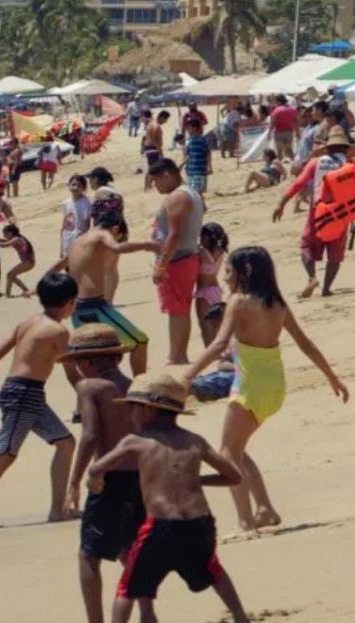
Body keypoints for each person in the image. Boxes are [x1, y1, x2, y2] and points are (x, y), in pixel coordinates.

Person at [89, 373, 262, 623]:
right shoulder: (194, 441)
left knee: (127, 586)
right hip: (198, 522)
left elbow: (97, 468)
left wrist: (95, 484)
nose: (130, 414)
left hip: (160, 525)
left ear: (149, 409)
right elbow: (233, 476)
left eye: (133, 408)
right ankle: (243, 622)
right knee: (215, 572)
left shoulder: (135, 442)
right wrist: (198, 480)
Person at [181, 246, 348, 533]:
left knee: (227, 454)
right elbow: (306, 344)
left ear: (245, 272)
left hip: (251, 386)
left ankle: (246, 521)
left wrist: (187, 376)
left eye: (229, 271)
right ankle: (264, 508)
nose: (225, 277)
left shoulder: (238, 302)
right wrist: (332, 377)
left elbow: (219, 344)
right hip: (274, 386)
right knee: (237, 449)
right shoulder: (278, 304)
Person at [59, 324, 158, 623]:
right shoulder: (133, 386)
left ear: (85, 361)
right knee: (130, 548)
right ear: (118, 357)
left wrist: (74, 482)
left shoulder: (90, 387)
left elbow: (89, 435)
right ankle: (148, 617)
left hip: (110, 476)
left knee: (89, 554)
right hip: (140, 476)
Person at [0, 273, 79, 527]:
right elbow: (72, 371)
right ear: (69, 302)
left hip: (24, 392)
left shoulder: (28, 323)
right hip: (24, 393)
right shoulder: (59, 331)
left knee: (66, 443)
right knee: (4, 454)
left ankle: (57, 511)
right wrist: (88, 397)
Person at [49, 196, 160, 377]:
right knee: (139, 342)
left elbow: (59, 265)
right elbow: (117, 248)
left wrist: (42, 283)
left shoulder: (80, 240)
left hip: (77, 308)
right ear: (115, 228)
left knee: (95, 353)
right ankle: (140, 384)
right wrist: (147, 245)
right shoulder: (102, 234)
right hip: (95, 307)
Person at [272, 127, 352, 298]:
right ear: (346, 149)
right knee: (335, 253)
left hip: (318, 210)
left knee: (307, 245)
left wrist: (281, 203)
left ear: (328, 148)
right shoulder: (350, 165)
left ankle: (312, 278)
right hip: (341, 213)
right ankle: (326, 288)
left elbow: (298, 184)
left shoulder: (316, 162)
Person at [149, 158, 205, 366]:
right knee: (180, 308)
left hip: (178, 259)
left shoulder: (177, 197)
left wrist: (160, 265)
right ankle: (179, 354)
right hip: (185, 256)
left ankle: (176, 356)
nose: (155, 186)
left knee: (176, 310)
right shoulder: (191, 192)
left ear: (166, 175)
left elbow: (174, 235)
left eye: (156, 180)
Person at [195, 223, 229, 346]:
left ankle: (209, 350)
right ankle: (220, 349)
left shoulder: (201, 252)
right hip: (216, 290)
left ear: (206, 237)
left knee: (205, 326)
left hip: (203, 292)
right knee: (217, 325)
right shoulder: (221, 251)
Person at [0, 224, 35, 298]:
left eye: (5, 234)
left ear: (10, 233)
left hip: (28, 262)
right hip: (28, 262)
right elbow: (4, 241)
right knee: (11, 275)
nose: (4, 236)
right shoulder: (17, 238)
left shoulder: (17, 239)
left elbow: (4, 245)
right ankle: (25, 289)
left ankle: (8, 294)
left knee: (10, 275)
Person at [61, 175, 92, 258]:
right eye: (73, 184)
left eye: (79, 185)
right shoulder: (66, 203)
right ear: (69, 185)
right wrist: (61, 248)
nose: (75, 187)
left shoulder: (87, 203)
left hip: (80, 239)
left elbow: (87, 225)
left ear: (84, 188)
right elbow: (64, 225)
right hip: (67, 239)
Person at [182, 116, 212, 198]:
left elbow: (207, 153)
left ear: (195, 128)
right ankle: (201, 205)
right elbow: (188, 156)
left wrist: (209, 166)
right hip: (190, 171)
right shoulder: (188, 141)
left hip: (199, 170)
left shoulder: (202, 139)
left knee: (198, 193)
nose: (187, 129)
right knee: (194, 192)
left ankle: (201, 205)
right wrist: (183, 165)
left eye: (189, 127)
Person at [141, 111, 168, 192]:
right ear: (162, 117)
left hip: (148, 147)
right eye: (165, 119)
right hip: (154, 148)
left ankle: (148, 186)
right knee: (154, 168)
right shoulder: (157, 127)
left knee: (151, 167)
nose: (165, 122)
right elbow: (157, 141)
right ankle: (148, 187)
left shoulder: (150, 124)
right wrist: (160, 152)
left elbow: (145, 137)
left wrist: (142, 148)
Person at [268, 94, 298, 161]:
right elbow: (295, 121)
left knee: (279, 152)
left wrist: (269, 132)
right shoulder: (293, 109)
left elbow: (273, 122)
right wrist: (298, 132)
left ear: (279, 102)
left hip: (279, 132)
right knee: (288, 150)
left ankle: (280, 165)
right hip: (289, 132)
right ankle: (296, 162)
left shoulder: (277, 110)